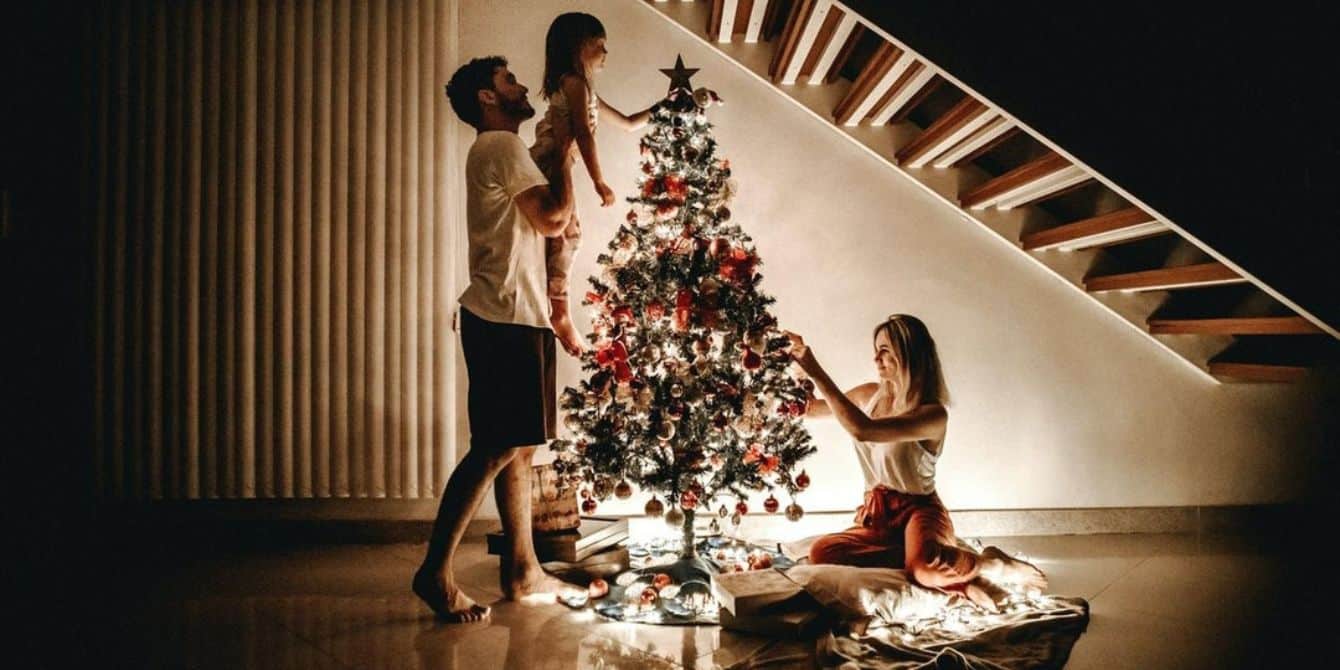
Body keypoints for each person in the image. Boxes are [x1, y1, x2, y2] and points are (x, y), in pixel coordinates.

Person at [413, 56, 583, 624]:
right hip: (504, 314)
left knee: (518, 444)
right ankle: (436, 572)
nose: (518, 87)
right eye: (507, 81)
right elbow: (554, 218)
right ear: (488, 98)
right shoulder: (500, 147)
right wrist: (564, 152)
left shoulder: (500, 153)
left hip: (519, 313)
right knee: (494, 444)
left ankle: (522, 568)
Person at [786, 315, 1047, 611]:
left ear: (908, 353)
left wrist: (816, 369)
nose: (876, 357)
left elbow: (863, 429)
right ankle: (938, 563)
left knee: (923, 569)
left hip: (918, 511)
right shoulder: (869, 394)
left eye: (885, 349)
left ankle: (989, 564)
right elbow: (808, 410)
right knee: (822, 551)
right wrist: (798, 365)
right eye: (876, 349)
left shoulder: (932, 415)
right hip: (878, 513)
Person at [532, 12, 652, 356]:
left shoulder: (585, 89)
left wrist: (667, 104)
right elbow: (582, 134)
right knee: (567, 235)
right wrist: (599, 181)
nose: (605, 53)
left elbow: (628, 123)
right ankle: (559, 312)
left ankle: (557, 308)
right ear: (578, 47)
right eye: (599, 45)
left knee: (565, 237)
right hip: (548, 165)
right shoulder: (574, 83)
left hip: (556, 166)